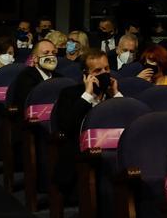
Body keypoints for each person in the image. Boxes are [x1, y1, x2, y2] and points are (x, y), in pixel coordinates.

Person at [52, 50, 123, 195]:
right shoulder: (69, 94)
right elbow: (66, 126)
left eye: (107, 69)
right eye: (98, 70)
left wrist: (116, 95)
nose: (104, 73)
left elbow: (128, 122)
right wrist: (87, 95)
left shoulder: (114, 95)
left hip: (112, 152)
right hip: (81, 154)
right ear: (86, 74)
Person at [9, 40, 58, 112]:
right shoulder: (25, 78)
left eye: (53, 53)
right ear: (35, 58)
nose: (51, 56)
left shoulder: (60, 78)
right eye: (46, 53)